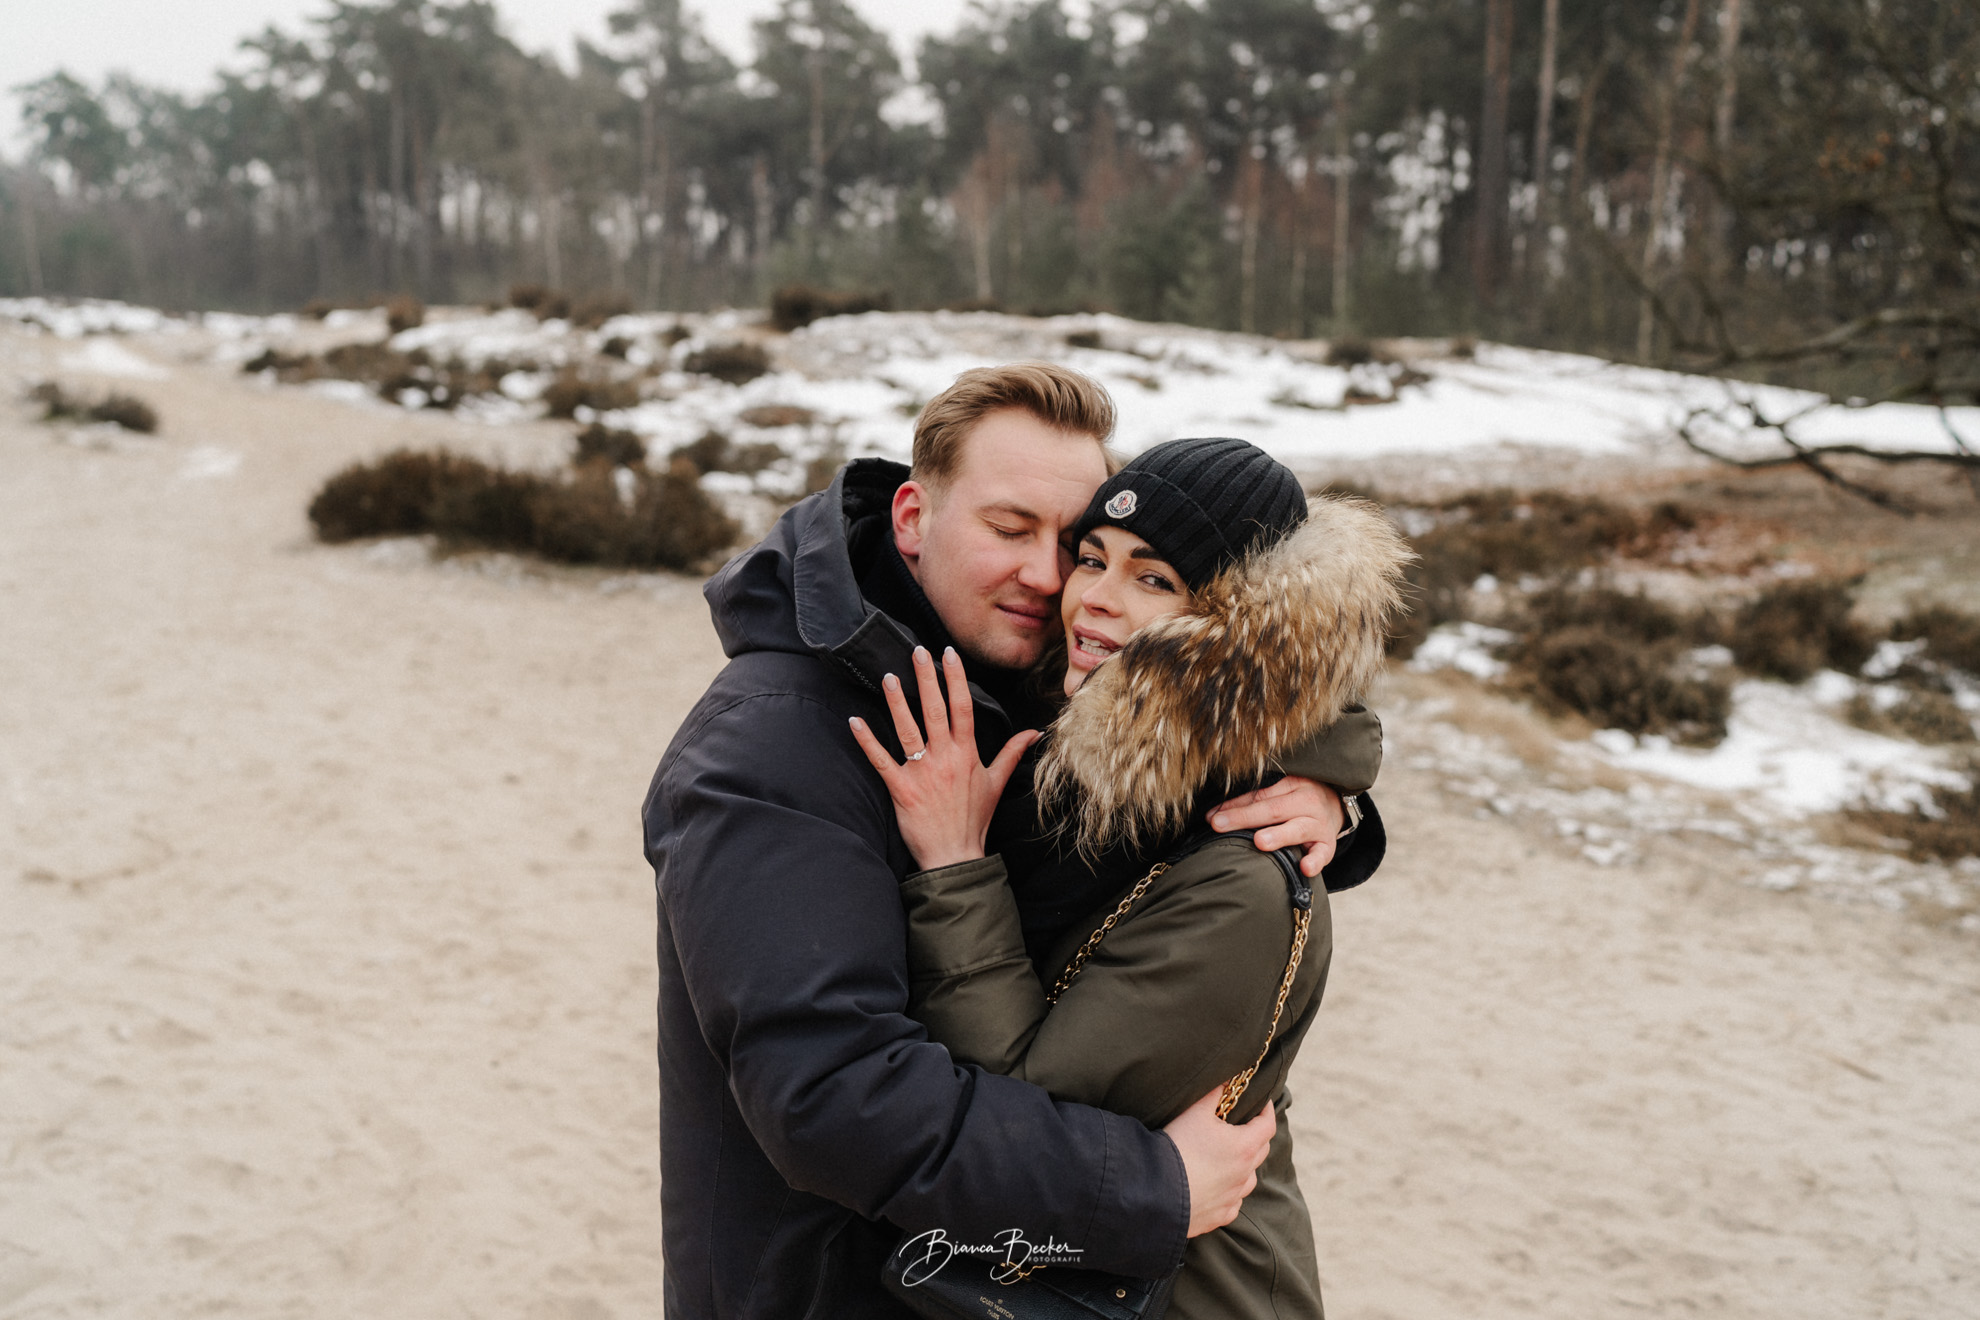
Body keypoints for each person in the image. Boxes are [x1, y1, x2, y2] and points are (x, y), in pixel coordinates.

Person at [643, 365, 1387, 1318]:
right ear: (912, 517)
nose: (1054, 582)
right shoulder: (774, 755)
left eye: (1070, 543)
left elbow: (1236, 678)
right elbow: (832, 1101)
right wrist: (1155, 1186)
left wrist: (1327, 784)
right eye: (1009, 530)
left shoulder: (1028, 677)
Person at [850, 437, 1410, 1316]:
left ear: (1234, 630)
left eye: (1155, 580)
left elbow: (1021, 1115)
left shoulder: (1242, 874)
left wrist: (954, 864)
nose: (1092, 599)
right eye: (1093, 559)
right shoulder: (1087, 746)